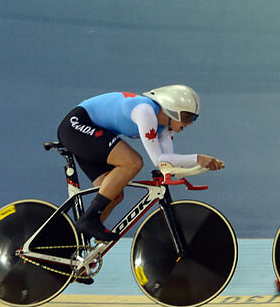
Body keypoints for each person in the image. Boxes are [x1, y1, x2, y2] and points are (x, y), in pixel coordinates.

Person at [56, 85, 224, 243]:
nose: (189, 123)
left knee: (114, 194)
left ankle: (74, 249)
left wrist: (198, 166)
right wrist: (198, 159)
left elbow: (167, 161)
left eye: (193, 118)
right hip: (77, 124)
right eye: (187, 117)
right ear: (172, 110)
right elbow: (158, 159)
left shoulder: (164, 127)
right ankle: (89, 220)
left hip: (93, 132)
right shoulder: (146, 112)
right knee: (133, 162)